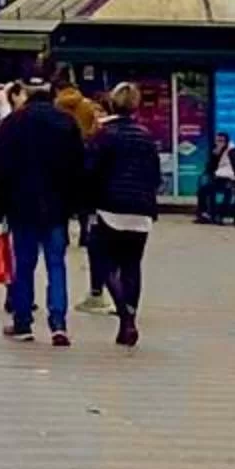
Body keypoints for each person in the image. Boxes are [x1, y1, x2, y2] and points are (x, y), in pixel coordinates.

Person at [0, 77, 86, 345]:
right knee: (56, 264)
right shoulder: (66, 123)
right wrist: (77, 205)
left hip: (22, 205)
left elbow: (0, 168)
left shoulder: (14, 124)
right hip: (57, 206)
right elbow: (79, 166)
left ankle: (23, 322)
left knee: (24, 263)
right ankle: (58, 323)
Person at [84, 83, 159, 349]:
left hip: (111, 207)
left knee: (103, 263)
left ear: (113, 104)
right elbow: (155, 176)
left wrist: (88, 203)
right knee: (132, 265)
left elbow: (91, 171)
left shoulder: (105, 134)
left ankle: (125, 317)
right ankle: (131, 316)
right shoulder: (146, 136)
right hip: (142, 210)